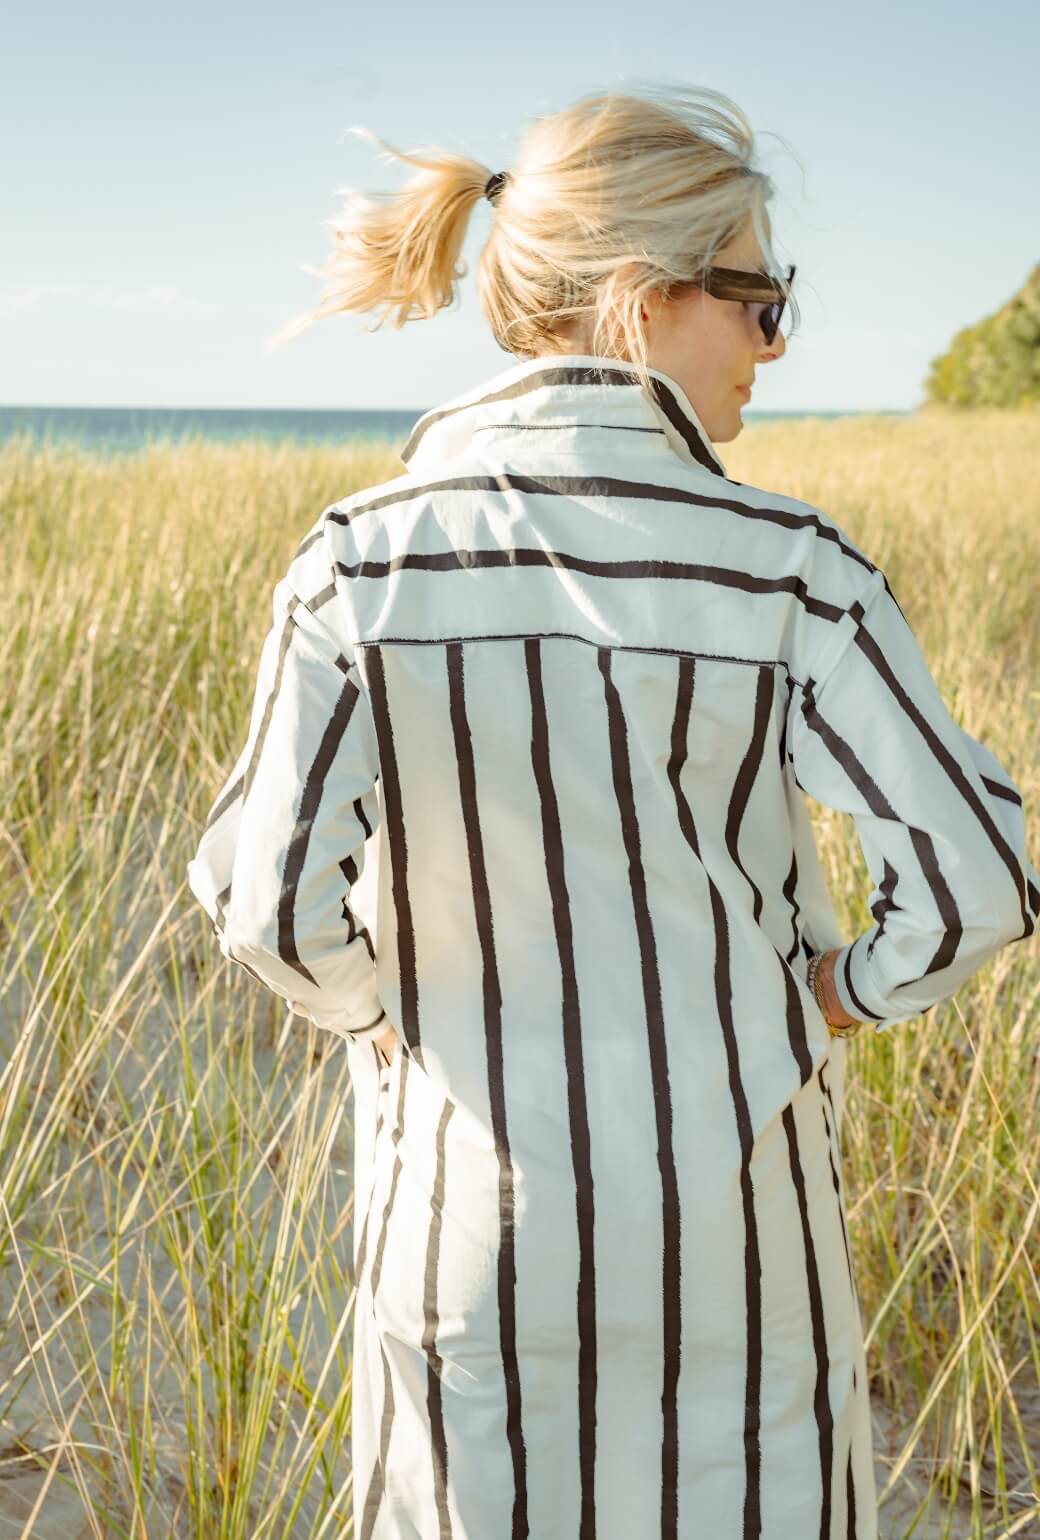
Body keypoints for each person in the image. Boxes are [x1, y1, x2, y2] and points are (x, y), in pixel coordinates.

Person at [185, 83, 1040, 1540]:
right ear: (647, 303)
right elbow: (978, 876)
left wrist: (377, 1020)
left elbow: (266, 905)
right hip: (742, 1247)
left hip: (462, 1231)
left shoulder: (359, 563)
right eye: (761, 301)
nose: (780, 344)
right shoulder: (790, 568)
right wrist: (843, 990)